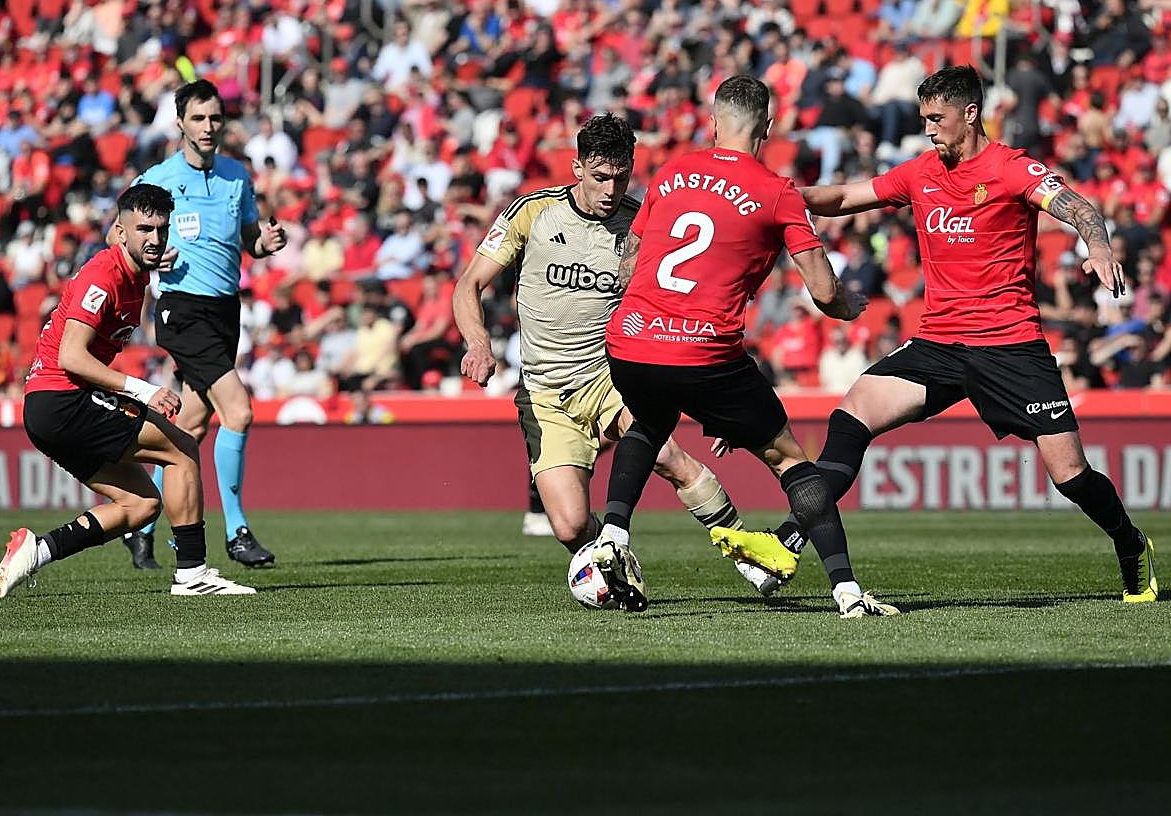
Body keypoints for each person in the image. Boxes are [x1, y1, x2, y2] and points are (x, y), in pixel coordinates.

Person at [767, 66, 1156, 604]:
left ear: (970, 114)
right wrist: (775, 196)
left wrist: (1100, 246)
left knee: (1070, 476)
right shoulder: (919, 173)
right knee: (852, 412)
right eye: (924, 117)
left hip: (1010, 345)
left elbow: (1078, 208)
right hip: (939, 344)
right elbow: (844, 198)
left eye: (936, 118)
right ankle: (790, 535)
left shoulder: (1012, 168)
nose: (928, 129)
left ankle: (1130, 541)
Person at [597, 75, 896, 619]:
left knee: (650, 421)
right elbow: (824, 293)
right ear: (769, 126)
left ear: (713, 123)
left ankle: (613, 534)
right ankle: (848, 592)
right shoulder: (776, 191)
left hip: (632, 341)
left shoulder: (669, 173)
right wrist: (849, 304)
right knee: (792, 463)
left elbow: (630, 260)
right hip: (705, 353)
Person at [454, 114, 773, 611]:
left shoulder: (644, 222)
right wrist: (477, 343)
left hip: (611, 379)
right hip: (544, 393)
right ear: (577, 168)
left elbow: (686, 306)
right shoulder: (531, 213)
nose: (609, 189)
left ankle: (750, 553)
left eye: (620, 178)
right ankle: (611, 559)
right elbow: (469, 284)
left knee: (670, 457)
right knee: (569, 525)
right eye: (599, 177)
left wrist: (716, 403)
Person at [0, 184, 254, 598]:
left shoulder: (134, 271)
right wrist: (144, 391)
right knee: (181, 449)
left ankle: (36, 551)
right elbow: (72, 357)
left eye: (162, 229)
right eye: (144, 228)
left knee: (141, 505)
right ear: (120, 230)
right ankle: (193, 574)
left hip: (49, 409)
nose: (155, 238)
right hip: (64, 398)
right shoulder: (105, 275)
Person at [116, 80, 288, 569]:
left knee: (191, 426)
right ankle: (236, 531)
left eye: (215, 118)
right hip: (181, 309)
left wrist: (266, 244)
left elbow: (249, 240)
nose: (209, 126)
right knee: (239, 410)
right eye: (199, 118)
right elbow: (118, 234)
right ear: (180, 123)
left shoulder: (237, 176)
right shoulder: (160, 178)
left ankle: (141, 523)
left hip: (223, 310)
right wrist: (148, 256)